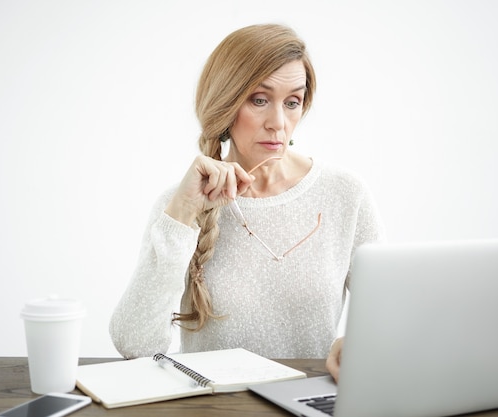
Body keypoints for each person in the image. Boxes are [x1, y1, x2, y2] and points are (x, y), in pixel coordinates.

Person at [109, 23, 384, 381]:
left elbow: (388, 322)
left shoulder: (345, 194)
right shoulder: (181, 203)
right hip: (214, 408)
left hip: (307, 404)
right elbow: (134, 346)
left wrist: (355, 344)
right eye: (259, 99)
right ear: (225, 102)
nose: (278, 123)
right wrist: (182, 215)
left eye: (292, 102)